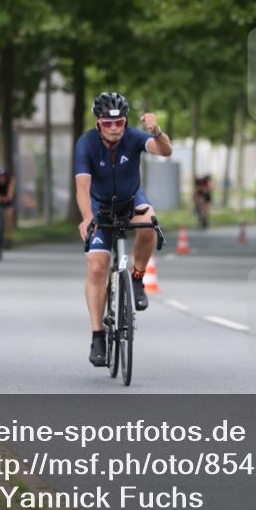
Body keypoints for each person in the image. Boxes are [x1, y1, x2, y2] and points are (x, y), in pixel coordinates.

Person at [75, 92, 172, 367]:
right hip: (100, 207)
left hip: (131, 200)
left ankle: (138, 278)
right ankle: (97, 337)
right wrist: (86, 218)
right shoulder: (86, 144)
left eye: (119, 123)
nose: (115, 128)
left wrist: (158, 132)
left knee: (149, 225)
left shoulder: (135, 137)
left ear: (126, 121)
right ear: (98, 123)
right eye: (108, 123)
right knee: (97, 267)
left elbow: (165, 151)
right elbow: (82, 188)